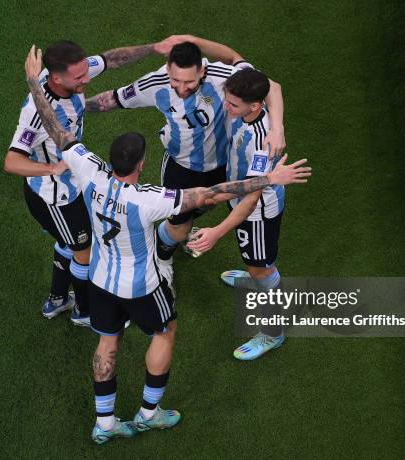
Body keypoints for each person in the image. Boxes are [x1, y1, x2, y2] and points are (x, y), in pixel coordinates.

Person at [24, 45, 311, 444]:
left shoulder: (87, 172)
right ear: (142, 165)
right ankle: (149, 412)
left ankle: (104, 423)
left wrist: (34, 84)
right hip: (143, 284)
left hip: (101, 281)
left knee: (108, 344)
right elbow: (209, 194)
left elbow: (57, 127)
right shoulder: (152, 199)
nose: (222, 104)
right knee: (165, 332)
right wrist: (268, 181)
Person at [4, 37, 176, 325]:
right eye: (80, 76)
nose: (87, 78)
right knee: (83, 252)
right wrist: (52, 168)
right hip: (55, 198)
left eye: (86, 71)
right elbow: (11, 161)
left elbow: (111, 59)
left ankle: (56, 301)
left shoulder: (69, 75)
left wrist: (153, 48)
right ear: (57, 78)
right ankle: (83, 312)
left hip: (72, 188)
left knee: (69, 243)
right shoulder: (35, 111)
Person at [84, 35, 286, 264]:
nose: (181, 88)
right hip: (182, 169)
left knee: (208, 202)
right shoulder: (156, 84)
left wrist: (277, 128)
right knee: (179, 228)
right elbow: (111, 100)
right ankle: (162, 257)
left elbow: (271, 87)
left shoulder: (223, 78)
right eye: (175, 80)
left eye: (188, 82)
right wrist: (75, 108)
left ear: (201, 71)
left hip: (222, 165)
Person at [187, 68, 291, 360]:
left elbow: (250, 198)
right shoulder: (251, 109)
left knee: (263, 267)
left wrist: (215, 233)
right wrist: (279, 126)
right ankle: (253, 274)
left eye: (232, 104)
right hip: (242, 199)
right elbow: (274, 83)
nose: (226, 107)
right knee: (257, 262)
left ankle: (273, 333)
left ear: (255, 106)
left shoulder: (262, 145)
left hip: (256, 212)